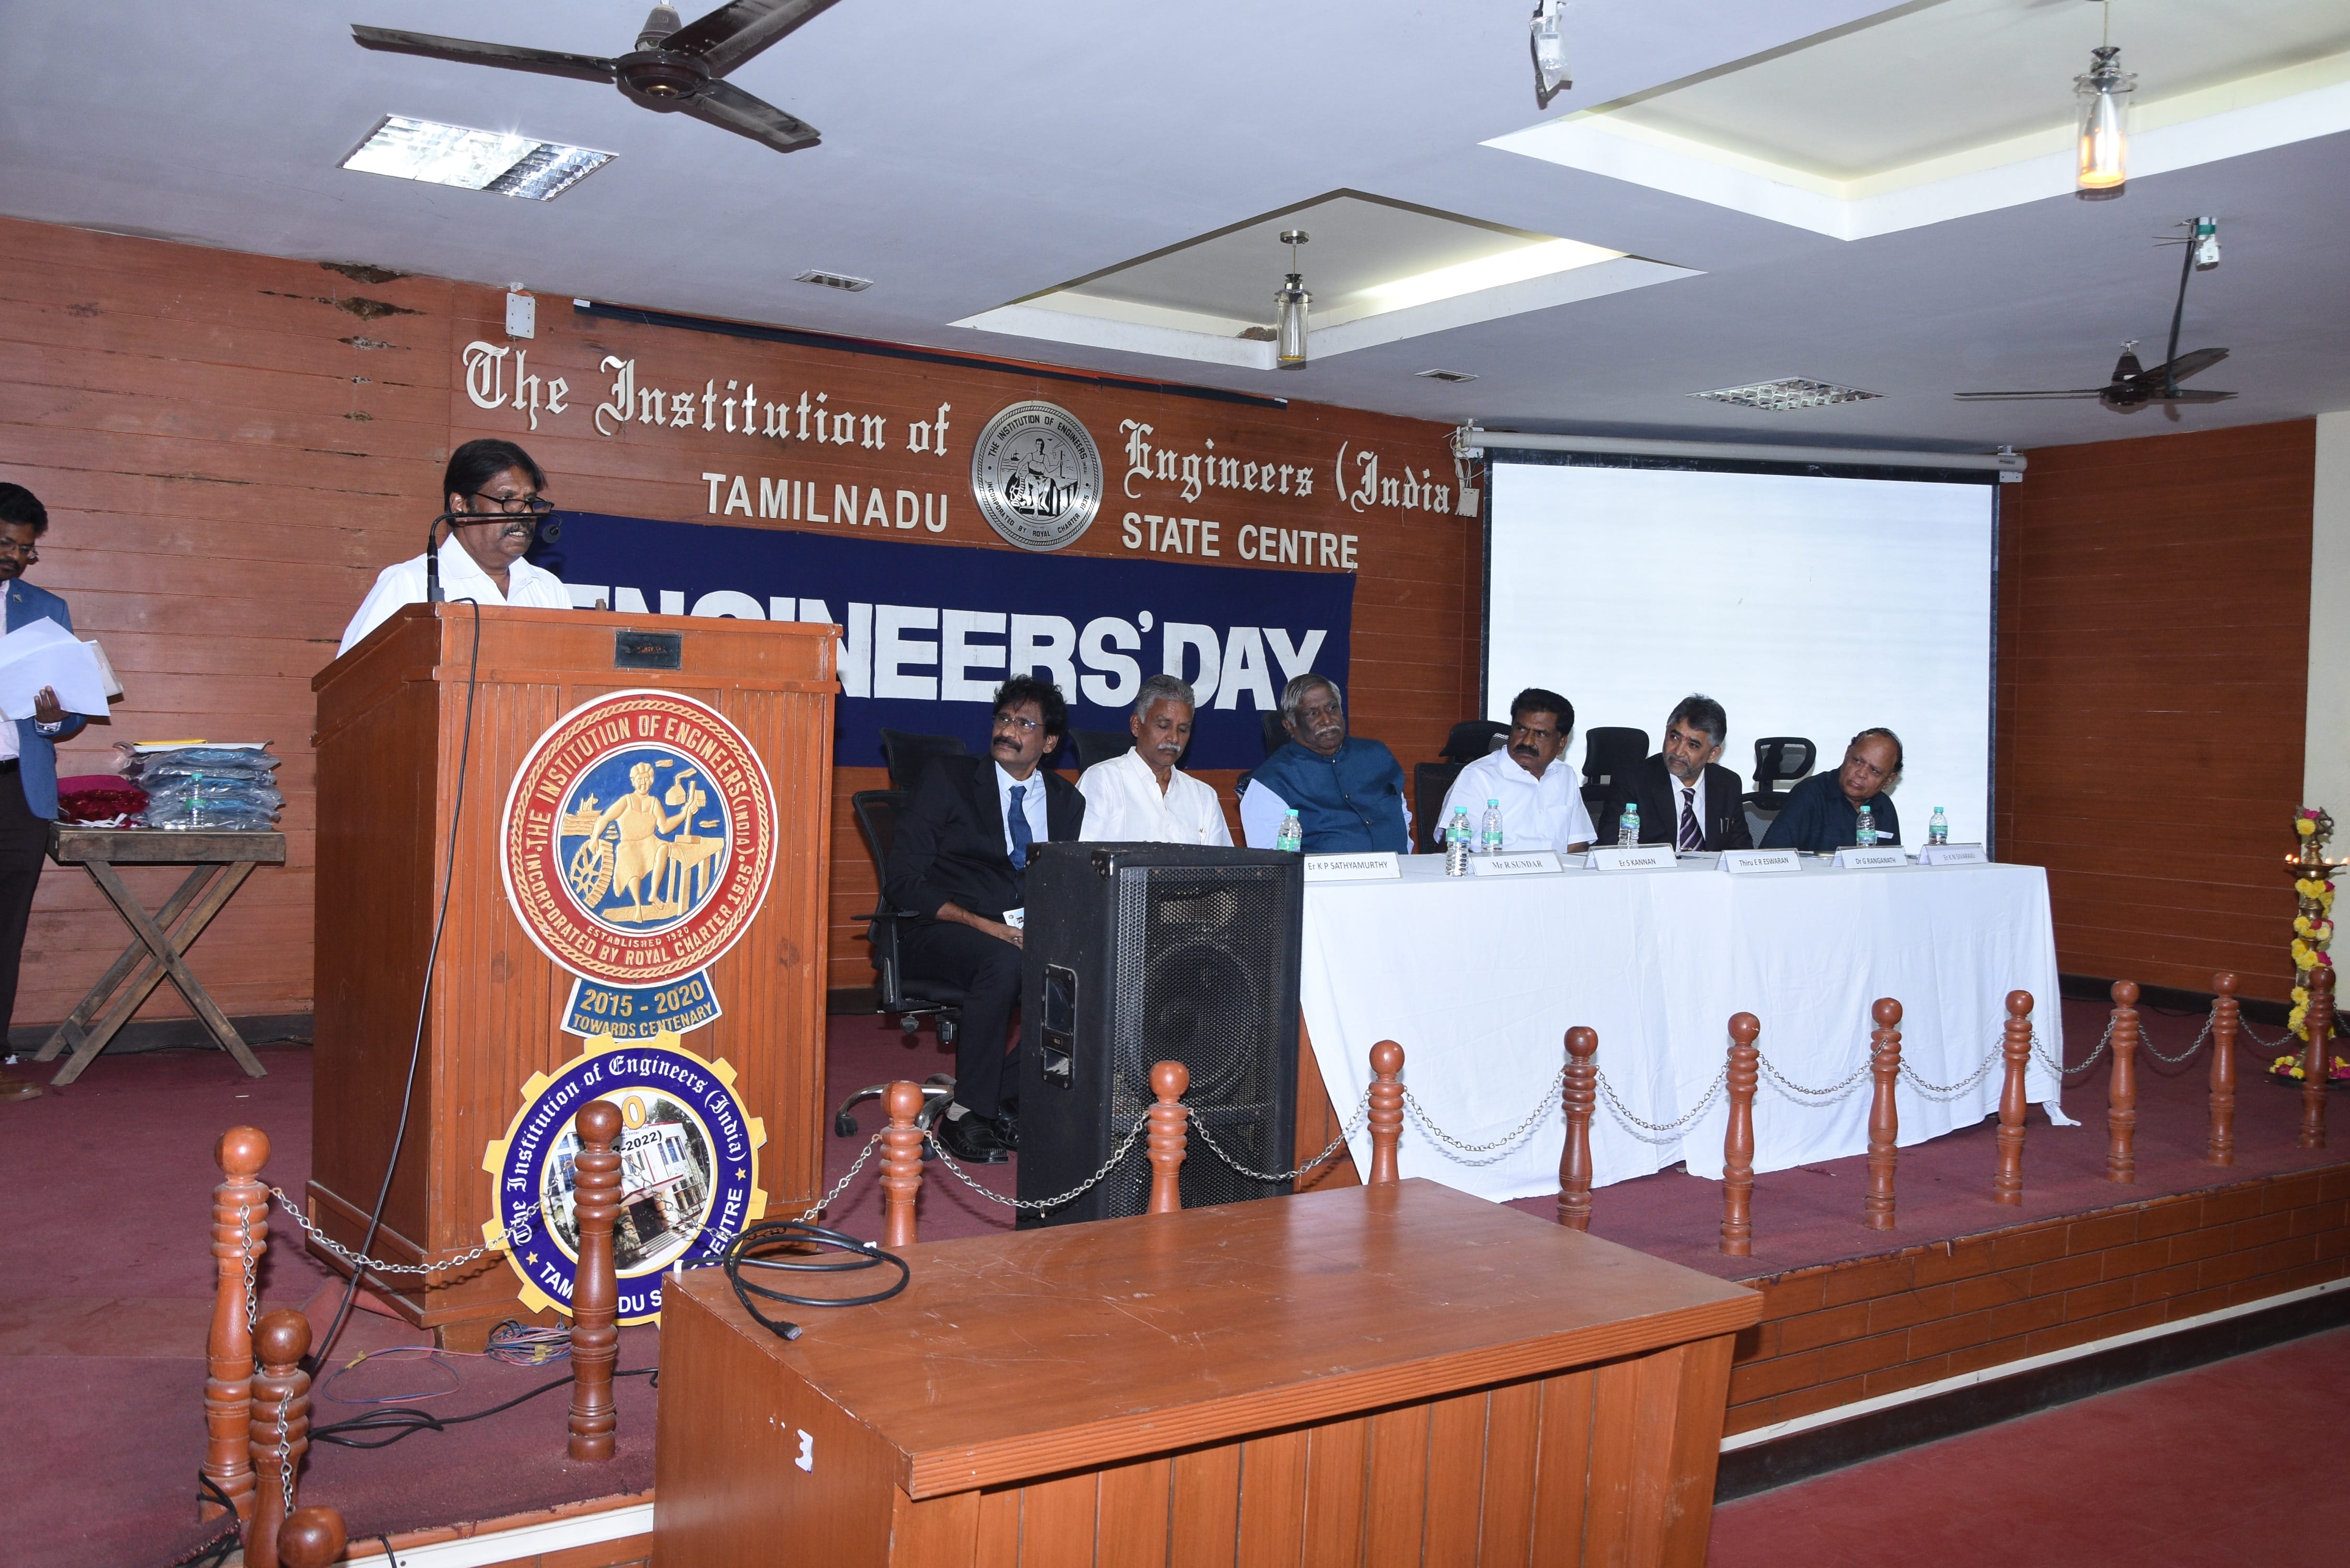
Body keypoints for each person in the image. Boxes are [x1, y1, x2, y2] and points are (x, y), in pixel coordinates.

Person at [884, 676, 1085, 1162]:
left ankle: (1004, 1096)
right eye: (1003, 719)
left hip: (1021, 934)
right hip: (937, 929)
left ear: (1049, 742)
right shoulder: (949, 779)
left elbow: (1065, 884)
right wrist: (987, 926)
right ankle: (966, 1113)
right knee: (1003, 962)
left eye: (1025, 724)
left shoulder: (1066, 802)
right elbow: (903, 881)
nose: (1008, 731)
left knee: (1091, 973)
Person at [0, 485, 89, 1103]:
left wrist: (57, 717)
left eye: (26, 549)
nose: (16, 557)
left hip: (18, 790)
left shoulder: (45, 609)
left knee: (6, 927)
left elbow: (75, 707)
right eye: (6, 543)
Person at [337, 438, 571, 656]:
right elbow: (352, 679)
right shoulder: (410, 583)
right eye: (508, 500)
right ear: (460, 505)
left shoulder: (548, 589)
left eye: (530, 502)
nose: (526, 513)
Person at [1240, 675, 1411, 853]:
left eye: (1332, 708)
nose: (1327, 720)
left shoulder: (1377, 756)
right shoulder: (1271, 781)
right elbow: (1271, 859)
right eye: (1313, 713)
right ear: (1289, 725)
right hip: (1321, 872)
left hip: (1399, 866)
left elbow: (1401, 815)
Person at [1078, 674, 1232, 847]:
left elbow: (1221, 863)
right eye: (1163, 726)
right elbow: (1080, 857)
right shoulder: (1103, 781)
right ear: (1136, 725)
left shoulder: (1204, 797)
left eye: (1183, 729)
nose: (1174, 738)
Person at [1437, 687, 1595, 853]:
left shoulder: (1565, 775)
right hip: (1495, 868)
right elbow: (1452, 847)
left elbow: (1577, 845)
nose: (1527, 742)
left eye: (1540, 734)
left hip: (1555, 869)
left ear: (1561, 743)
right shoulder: (1479, 775)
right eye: (1521, 729)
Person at [1599, 694, 1754, 853]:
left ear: (1713, 754)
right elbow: (1610, 849)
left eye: (1693, 745)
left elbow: (1741, 853)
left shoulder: (1727, 784)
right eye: (1674, 737)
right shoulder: (1633, 781)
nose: (1679, 752)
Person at [1762, 728, 1904, 852]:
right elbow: (1772, 857)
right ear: (1848, 753)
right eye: (1857, 761)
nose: (1861, 773)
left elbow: (1892, 867)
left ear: (1889, 780)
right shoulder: (1809, 794)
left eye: (1874, 771)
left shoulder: (1885, 807)